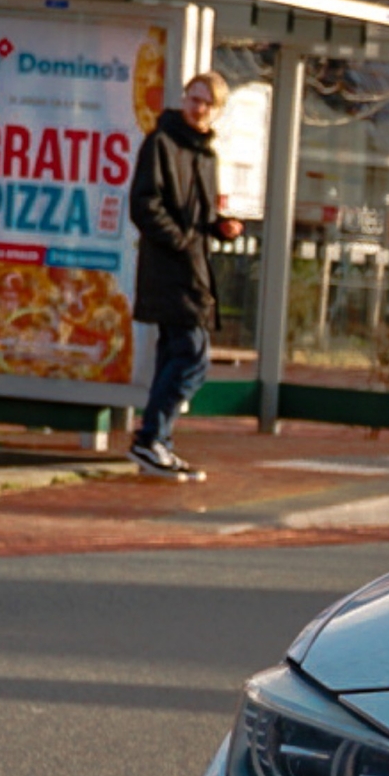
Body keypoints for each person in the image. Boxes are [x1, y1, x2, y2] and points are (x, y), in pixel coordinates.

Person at [128, 70, 242, 480]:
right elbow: (144, 203)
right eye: (192, 98)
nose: (197, 107)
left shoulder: (205, 153)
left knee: (173, 356)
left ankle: (159, 442)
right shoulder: (161, 142)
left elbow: (203, 213)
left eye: (206, 102)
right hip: (169, 269)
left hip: (193, 266)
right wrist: (178, 240)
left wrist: (220, 226)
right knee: (193, 357)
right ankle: (149, 438)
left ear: (217, 110)